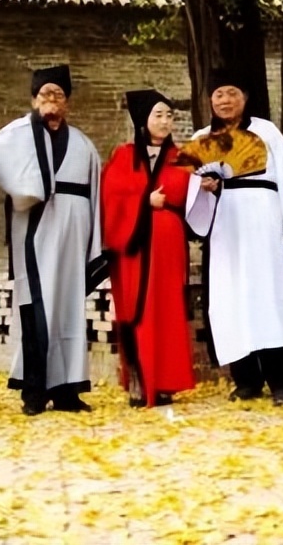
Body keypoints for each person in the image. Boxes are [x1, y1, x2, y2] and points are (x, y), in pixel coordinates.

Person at [0, 65, 108, 416]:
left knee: (69, 309)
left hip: (73, 235)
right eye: (44, 94)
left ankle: (68, 390)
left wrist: (94, 241)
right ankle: (34, 391)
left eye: (58, 94)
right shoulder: (18, 135)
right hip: (35, 231)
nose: (51, 100)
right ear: (33, 100)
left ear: (67, 102)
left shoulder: (83, 144)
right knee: (36, 308)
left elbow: (95, 194)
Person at [184, 69, 283, 406]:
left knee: (270, 297)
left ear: (245, 97)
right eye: (218, 94)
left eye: (232, 93)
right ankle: (246, 380)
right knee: (231, 299)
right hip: (225, 222)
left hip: (264, 219)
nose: (225, 100)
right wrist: (203, 186)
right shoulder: (202, 137)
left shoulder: (266, 131)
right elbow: (189, 184)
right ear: (210, 100)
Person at [100, 89, 196, 407]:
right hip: (135, 248)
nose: (166, 122)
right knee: (135, 310)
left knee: (167, 311)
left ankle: (165, 382)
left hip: (168, 249)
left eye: (170, 116)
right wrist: (145, 200)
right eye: (159, 115)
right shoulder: (124, 155)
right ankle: (139, 378)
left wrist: (205, 187)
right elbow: (111, 197)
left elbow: (188, 196)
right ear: (143, 119)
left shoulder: (181, 158)